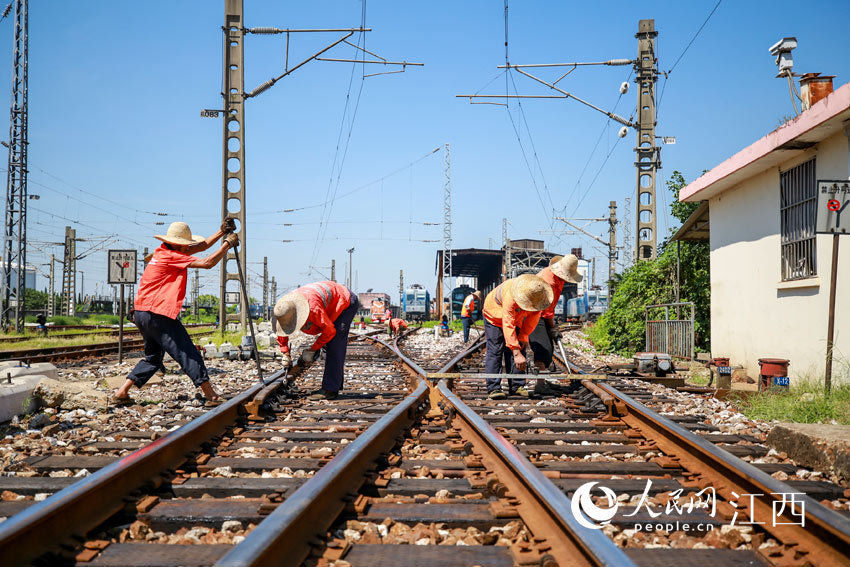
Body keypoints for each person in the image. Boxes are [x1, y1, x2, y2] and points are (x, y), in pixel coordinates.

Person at [113, 220, 237, 406]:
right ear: (179, 244)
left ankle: (122, 391)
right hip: (158, 313)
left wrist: (221, 232)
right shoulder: (172, 256)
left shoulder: (163, 251)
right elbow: (207, 262)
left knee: (153, 358)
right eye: (186, 244)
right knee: (186, 351)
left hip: (141, 312)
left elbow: (201, 246)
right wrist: (227, 244)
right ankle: (211, 395)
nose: (189, 247)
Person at [274, 281, 360, 400]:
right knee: (328, 345)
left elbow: (329, 331)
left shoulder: (313, 309)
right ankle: (335, 382)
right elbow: (282, 330)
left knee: (334, 346)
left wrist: (313, 349)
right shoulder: (285, 308)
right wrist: (285, 353)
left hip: (345, 302)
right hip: (329, 301)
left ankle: (330, 390)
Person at [483, 274, 553, 400]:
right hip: (494, 315)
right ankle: (494, 388)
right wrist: (516, 353)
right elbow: (507, 323)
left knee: (520, 347)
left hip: (516, 318)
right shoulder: (511, 295)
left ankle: (517, 386)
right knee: (496, 350)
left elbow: (532, 320)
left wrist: (523, 337)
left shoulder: (538, 299)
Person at [529, 255, 583, 395]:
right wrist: (552, 327)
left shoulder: (559, 279)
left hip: (542, 313)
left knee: (549, 347)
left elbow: (550, 307)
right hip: (532, 313)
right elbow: (545, 309)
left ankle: (542, 381)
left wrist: (552, 327)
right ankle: (540, 385)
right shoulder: (548, 281)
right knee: (543, 347)